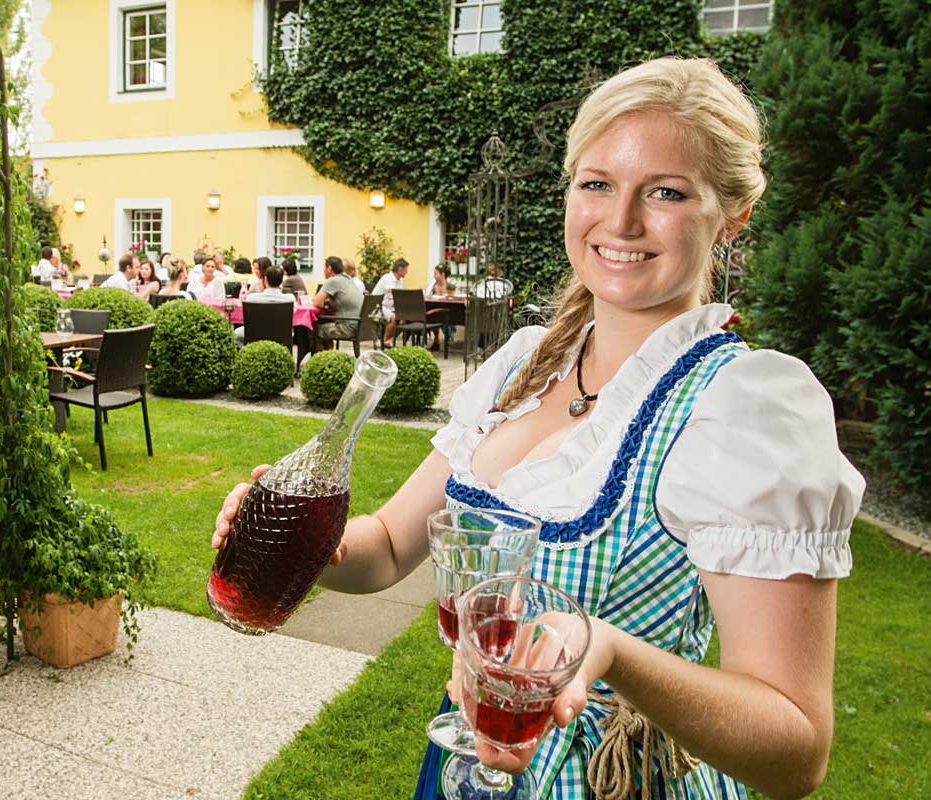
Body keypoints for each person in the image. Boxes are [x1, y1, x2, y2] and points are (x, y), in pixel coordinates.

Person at [213, 58, 865, 800]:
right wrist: (310, 548)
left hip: (616, 783)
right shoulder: (526, 363)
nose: (620, 222)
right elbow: (391, 546)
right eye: (596, 183)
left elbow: (796, 750)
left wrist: (609, 651)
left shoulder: (744, 406)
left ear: (734, 214)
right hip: (468, 761)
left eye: (666, 192)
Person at [311, 256, 364, 350]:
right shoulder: (348, 279)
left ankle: (320, 359)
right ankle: (329, 356)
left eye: (324, 268)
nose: (323, 271)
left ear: (329, 268)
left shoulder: (333, 280)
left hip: (347, 328)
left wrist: (324, 304)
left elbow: (316, 302)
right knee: (326, 326)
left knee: (316, 330)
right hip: (360, 326)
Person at [234, 265, 294, 344]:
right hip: (281, 334)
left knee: (236, 334)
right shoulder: (290, 299)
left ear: (265, 280)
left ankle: (246, 354)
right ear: (282, 281)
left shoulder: (252, 298)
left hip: (255, 334)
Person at [371, 257, 408, 346]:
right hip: (377, 306)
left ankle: (391, 339)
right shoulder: (387, 278)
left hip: (389, 307)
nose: (407, 272)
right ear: (400, 269)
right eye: (406, 270)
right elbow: (395, 293)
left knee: (405, 318)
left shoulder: (400, 280)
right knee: (394, 317)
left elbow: (399, 297)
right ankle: (385, 341)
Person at [424, 263, 456, 350]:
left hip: (448, 309)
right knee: (433, 317)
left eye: (436, 274)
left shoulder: (450, 286)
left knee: (447, 317)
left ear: (443, 275)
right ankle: (437, 339)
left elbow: (453, 298)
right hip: (435, 310)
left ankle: (448, 335)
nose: (434, 276)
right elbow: (427, 295)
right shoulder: (433, 285)